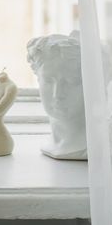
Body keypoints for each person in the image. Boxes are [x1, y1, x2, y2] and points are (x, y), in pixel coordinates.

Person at [26, 31, 87, 160]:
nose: (57, 94)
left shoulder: (96, 144)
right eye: (48, 80)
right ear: (38, 79)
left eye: (71, 81)